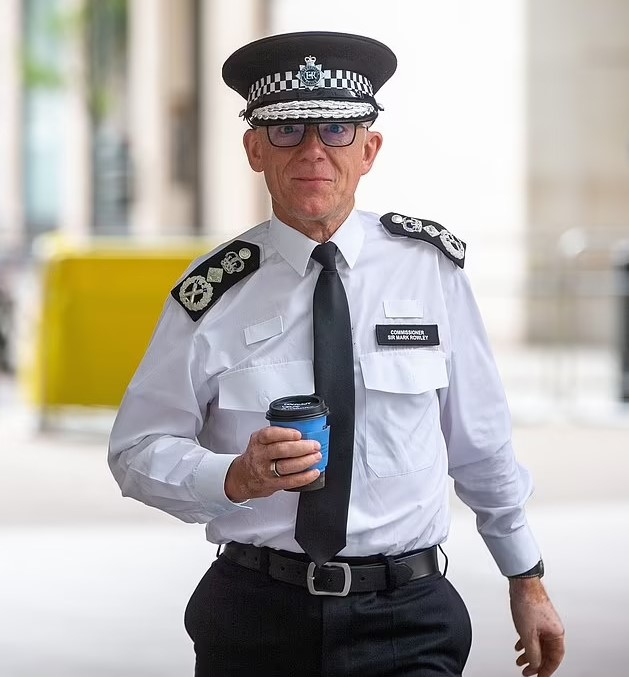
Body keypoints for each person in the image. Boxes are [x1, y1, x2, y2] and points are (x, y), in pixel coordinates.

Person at [108, 31, 565, 677]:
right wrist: (234, 477)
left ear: (369, 149)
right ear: (254, 149)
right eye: (288, 131)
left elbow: (480, 441)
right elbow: (135, 450)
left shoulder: (429, 271)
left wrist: (527, 577)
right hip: (255, 615)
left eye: (337, 129)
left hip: (408, 615)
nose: (313, 151)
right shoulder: (212, 293)